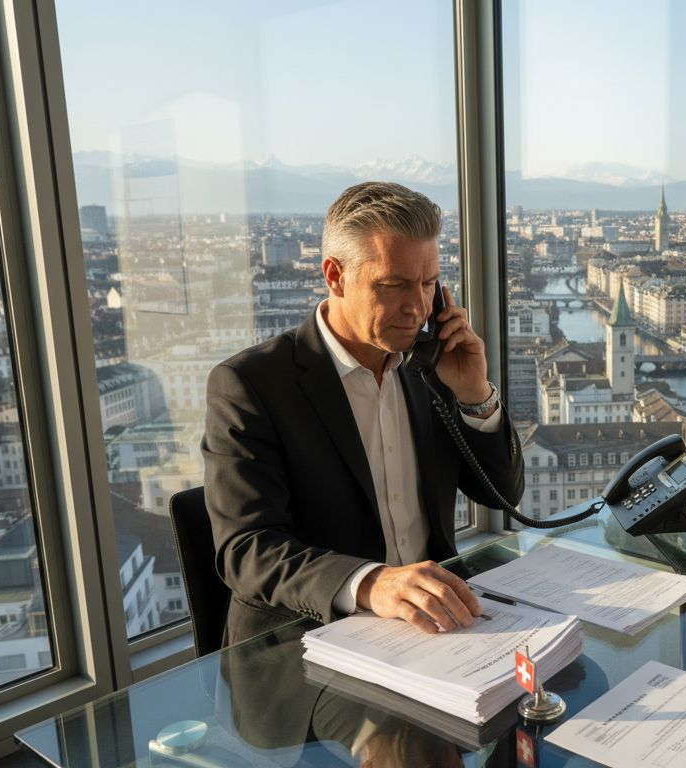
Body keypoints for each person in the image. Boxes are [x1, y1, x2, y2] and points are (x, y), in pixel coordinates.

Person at [202, 181, 524, 647]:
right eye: (393, 285)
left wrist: (475, 393)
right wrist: (373, 583)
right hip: (307, 647)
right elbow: (247, 550)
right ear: (335, 276)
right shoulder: (250, 385)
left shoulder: (431, 366)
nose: (417, 308)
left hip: (434, 634)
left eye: (429, 283)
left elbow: (502, 494)